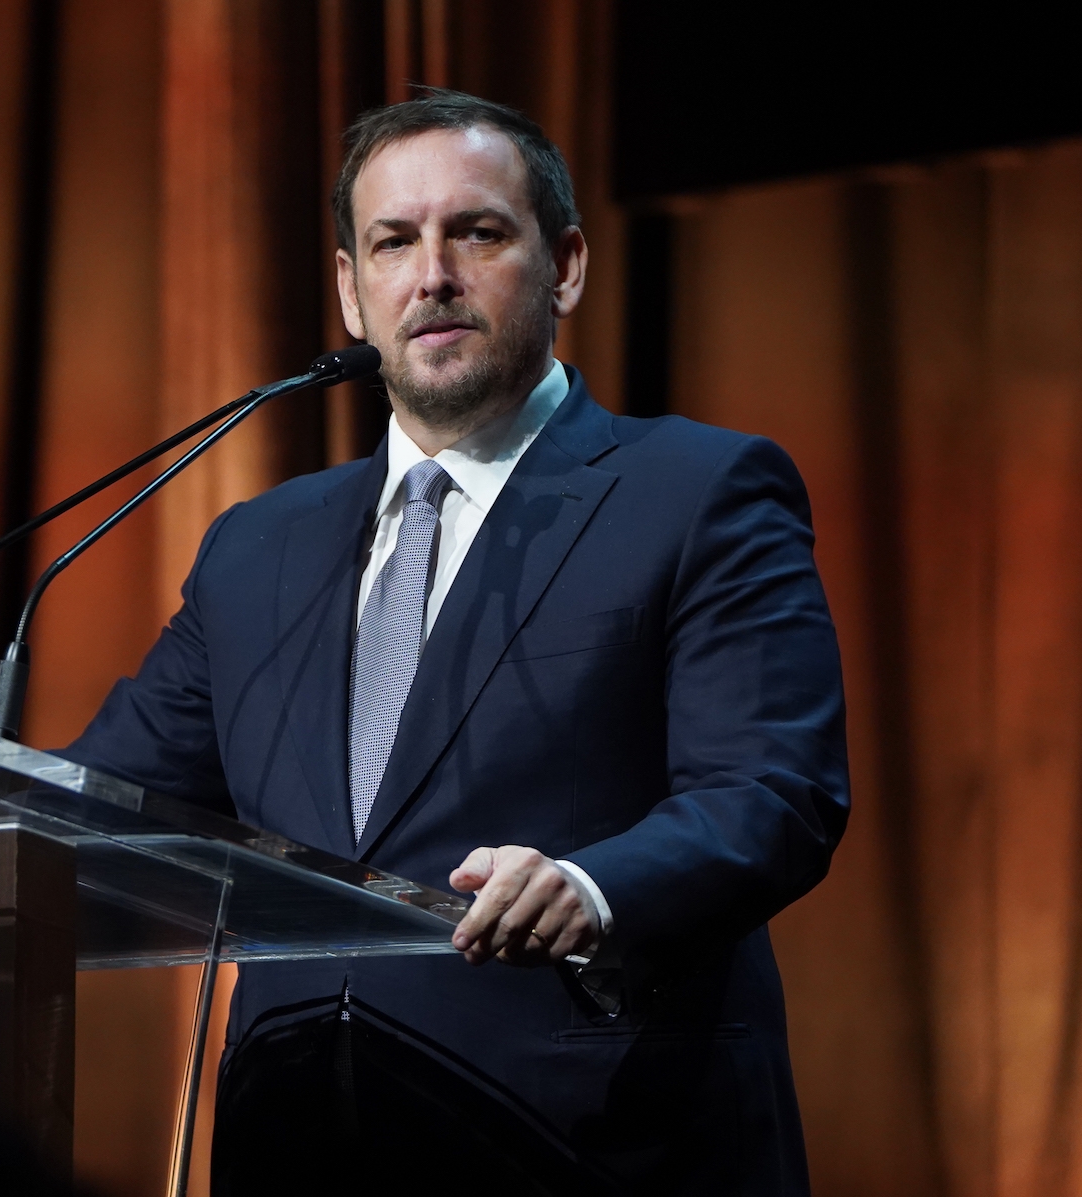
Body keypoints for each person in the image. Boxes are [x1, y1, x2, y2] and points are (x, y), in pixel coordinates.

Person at [59, 90, 848, 1194]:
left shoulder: (698, 491)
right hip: (300, 1142)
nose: (431, 275)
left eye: (476, 232)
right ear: (351, 290)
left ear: (564, 264)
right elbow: (90, 811)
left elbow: (774, 792)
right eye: (393, 242)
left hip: (590, 1139)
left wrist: (594, 885)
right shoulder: (256, 549)